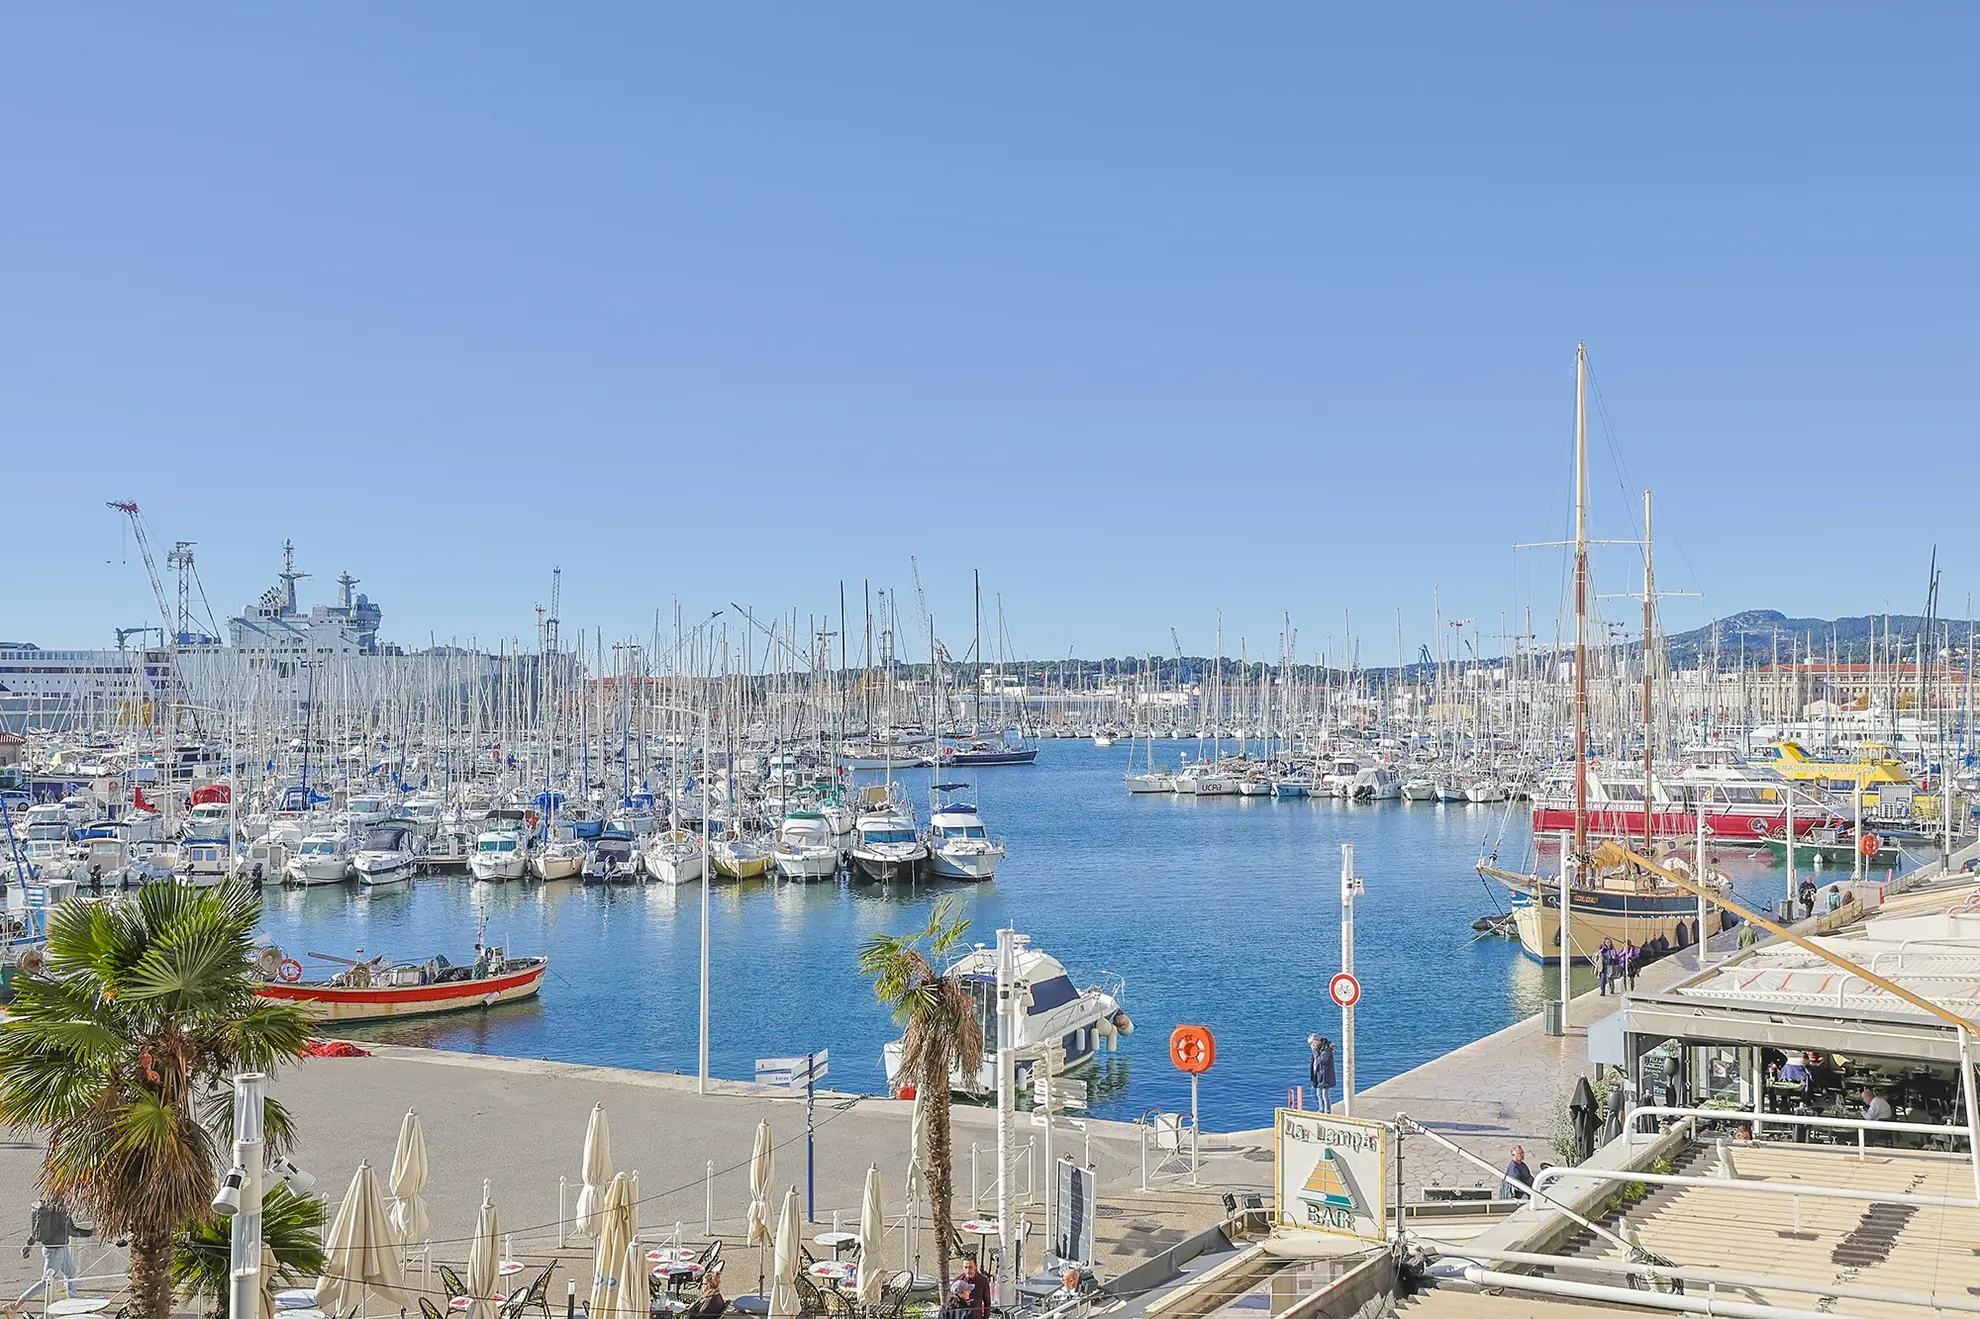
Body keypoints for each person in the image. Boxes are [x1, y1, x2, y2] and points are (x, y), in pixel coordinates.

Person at [20, 1198, 90, 1304]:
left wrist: (29, 1245)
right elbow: (72, 1231)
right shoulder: (61, 1210)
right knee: (46, 1281)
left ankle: (73, 1301)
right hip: (56, 1251)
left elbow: (37, 1230)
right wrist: (92, 1232)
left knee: (70, 1273)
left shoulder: (47, 1208)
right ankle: (16, 1305)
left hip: (55, 1248)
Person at [1308, 1035, 1336, 1113]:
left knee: (1325, 1095)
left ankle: (1327, 1111)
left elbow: (1322, 1060)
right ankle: (1321, 1109)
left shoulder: (1326, 1048)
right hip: (1318, 1075)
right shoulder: (1318, 1049)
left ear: (1317, 1040)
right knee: (1319, 1094)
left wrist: (1314, 1051)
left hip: (1325, 1075)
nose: (1312, 1045)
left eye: (1313, 1043)